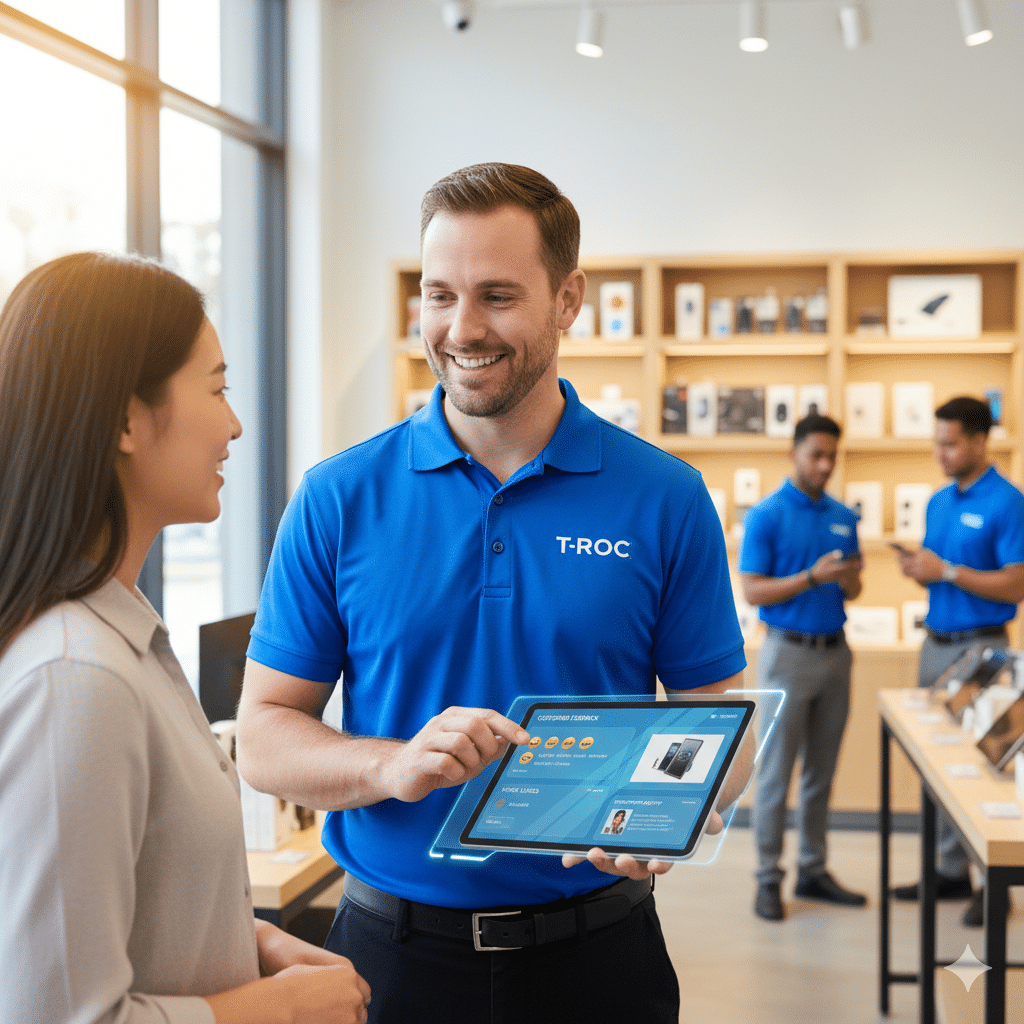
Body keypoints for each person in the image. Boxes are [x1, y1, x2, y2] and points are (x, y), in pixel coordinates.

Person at [236, 162, 750, 1024]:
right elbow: (262, 737)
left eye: (497, 296)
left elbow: (719, 731)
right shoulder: (337, 497)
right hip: (388, 960)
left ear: (568, 298)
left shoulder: (664, 497)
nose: (461, 328)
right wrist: (389, 765)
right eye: (439, 295)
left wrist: (667, 812)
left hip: (599, 960)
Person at [0, 252, 371, 1024]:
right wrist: (280, 1010)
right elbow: (60, 1015)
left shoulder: (119, 637)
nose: (235, 423)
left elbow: (128, 918)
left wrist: (256, 947)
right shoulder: (77, 676)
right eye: (217, 387)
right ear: (125, 420)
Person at [892, 395, 1024, 927]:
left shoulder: (1008, 501)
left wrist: (945, 571)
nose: (941, 453)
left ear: (979, 440)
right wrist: (920, 569)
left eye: (950, 444)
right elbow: (938, 569)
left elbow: (1015, 582)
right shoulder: (939, 502)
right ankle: (947, 871)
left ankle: (995, 884)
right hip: (937, 645)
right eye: (936, 443)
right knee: (937, 766)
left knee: (985, 771)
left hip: (986, 650)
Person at [739, 413, 867, 922]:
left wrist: (848, 577)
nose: (825, 464)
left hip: (836, 653)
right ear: (794, 452)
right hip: (786, 655)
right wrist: (811, 578)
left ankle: (813, 869)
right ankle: (768, 877)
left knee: (821, 772)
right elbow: (752, 590)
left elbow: (856, 588)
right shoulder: (767, 515)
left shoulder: (843, 515)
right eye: (816, 454)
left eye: (832, 455)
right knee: (776, 774)